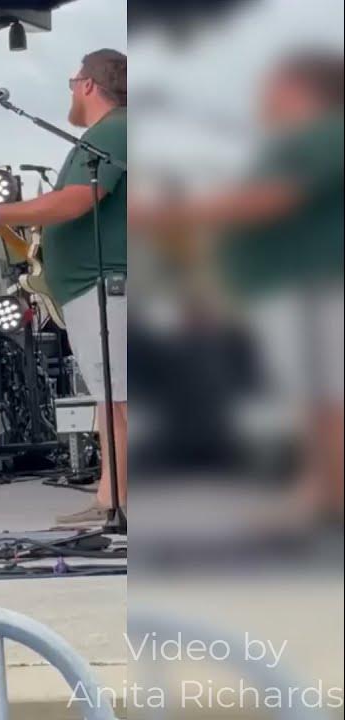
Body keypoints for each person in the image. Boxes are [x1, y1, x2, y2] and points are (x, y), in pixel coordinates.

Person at [136, 49, 343, 520]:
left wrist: (168, 214)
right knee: (313, 397)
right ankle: (323, 494)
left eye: (275, 85)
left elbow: (271, 201)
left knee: (327, 395)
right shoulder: (297, 141)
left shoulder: (323, 134)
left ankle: (323, 496)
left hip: (316, 284)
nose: (264, 96)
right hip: (295, 286)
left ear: (304, 90)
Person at [0, 49, 128, 526]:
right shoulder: (104, 136)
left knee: (120, 399)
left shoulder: (114, 129)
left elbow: (77, 200)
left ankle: (121, 501)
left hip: (106, 285)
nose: (71, 90)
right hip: (91, 287)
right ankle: (110, 497)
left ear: (89, 85)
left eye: (74, 81)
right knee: (109, 399)